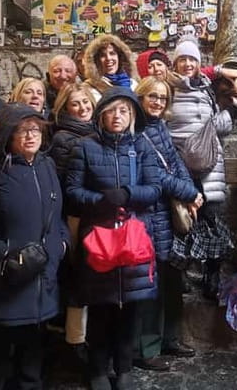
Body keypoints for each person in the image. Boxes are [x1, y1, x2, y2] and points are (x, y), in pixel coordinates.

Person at [0, 103, 68, 390]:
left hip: (41, 284)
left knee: (32, 368)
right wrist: (3, 255)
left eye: (35, 129)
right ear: (7, 135)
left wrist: (61, 245)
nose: (31, 136)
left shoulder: (47, 166)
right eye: (22, 130)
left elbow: (57, 217)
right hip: (1, 286)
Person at [65, 87, 161, 390]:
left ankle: (124, 368)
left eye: (123, 111)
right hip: (100, 240)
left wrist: (129, 194)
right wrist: (100, 200)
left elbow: (155, 189)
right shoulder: (84, 147)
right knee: (100, 309)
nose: (117, 116)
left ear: (131, 115)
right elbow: (72, 191)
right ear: (101, 115)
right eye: (111, 111)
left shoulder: (142, 147)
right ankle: (97, 369)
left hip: (133, 239)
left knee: (130, 309)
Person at [166, 38, 237, 300]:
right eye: (183, 59)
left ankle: (211, 275)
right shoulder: (168, 88)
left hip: (210, 169)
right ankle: (179, 277)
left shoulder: (207, 90)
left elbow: (218, 127)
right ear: (175, 63)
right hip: (181, 168)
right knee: (182, 223)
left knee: (212, 221)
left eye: (193, 59)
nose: (188, 64)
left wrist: (232, 112)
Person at [133, 77, 202, 371]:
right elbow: (155, 176)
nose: (158, 102)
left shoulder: (161, 128)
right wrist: (188, 193)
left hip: (168, 215)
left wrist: (192, 193)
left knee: (172, 282)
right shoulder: (135, 131)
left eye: (163, 97)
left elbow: (176, 163)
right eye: (152, 96)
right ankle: (147, 349)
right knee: (152, 287)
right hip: (150, 216)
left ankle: (170, 338)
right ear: (141, 97)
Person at [48, 81, 96, 352]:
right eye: (75, 104)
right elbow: (64, 183)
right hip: (76, 215)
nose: (82, 108)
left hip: (91, 212)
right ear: (65, 108)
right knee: (78, 277)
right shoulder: (64, 137)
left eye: (85, 102)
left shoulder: (94, 130)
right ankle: (75, 340)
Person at [0, 77, 45, 160]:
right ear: (17, 96)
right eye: (28, 92)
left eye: (39, 93)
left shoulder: (45, 127)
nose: (35, 96)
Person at [79, 34, 138, 103]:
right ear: (96, 61)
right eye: (103, 55)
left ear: (120, 57)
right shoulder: (88, 88)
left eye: (112, 53)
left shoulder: (133, 84)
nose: (108, 58)